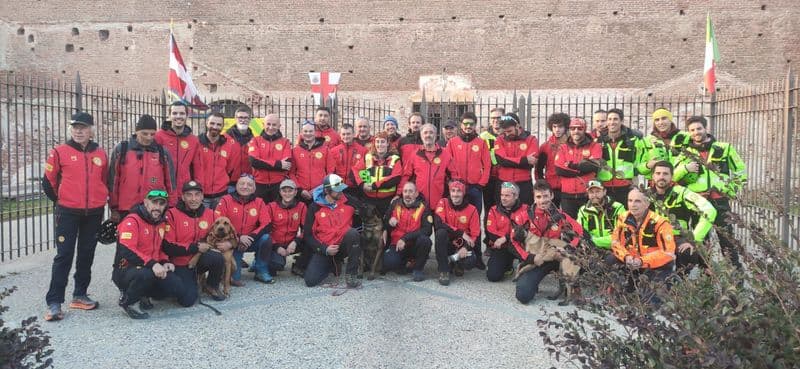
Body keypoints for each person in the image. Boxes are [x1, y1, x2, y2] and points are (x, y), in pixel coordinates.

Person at [42, 112, 108, 321]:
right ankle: (54, 302)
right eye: (75, 127)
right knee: (64, 256)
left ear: (91, 130)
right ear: (71, 130)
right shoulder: (59, 152)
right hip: (68, 212)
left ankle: (80, 294)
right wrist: (62, 201)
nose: (79, 131)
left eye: (83, 127)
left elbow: (104, 180)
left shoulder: (101, 154)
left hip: (94, 212)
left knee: (86, 254)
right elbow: (48, 181)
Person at [673, 115, 746, 268]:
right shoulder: (685, 151)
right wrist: (686, 168)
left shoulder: (724, 148)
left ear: (706, 129)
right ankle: (706, 275)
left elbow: (740, 170)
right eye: (692, 130)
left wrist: (731, 190)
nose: (696, 132)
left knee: (727, 240)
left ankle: (736, 275)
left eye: (699, 128)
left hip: (719, 200)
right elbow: (673, 174)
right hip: (699, 201)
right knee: (701, 241)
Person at [113, 190, 186, 319]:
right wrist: (152, 264)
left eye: (161, 204)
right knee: (146, 274)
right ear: (146, 203)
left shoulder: (161, 223)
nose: (157, 207)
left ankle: (143, 294)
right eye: (154, 202)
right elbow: (126, 249)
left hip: (150, 268)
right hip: (126, 269)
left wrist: (164, 262)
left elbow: (159, 249)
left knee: (175, 285)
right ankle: (129, 302)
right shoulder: (132, 221)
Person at [510, 181, 583, 304]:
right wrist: (530, 257)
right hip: (537, 259)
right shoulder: (523, 217)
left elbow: (579, 231)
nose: (542, 200)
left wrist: (569, 248)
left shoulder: (560, 216)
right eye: (538, 197)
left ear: (552, 196)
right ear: (534, 198)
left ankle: (573, 285)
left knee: (575, 258)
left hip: (557, 255)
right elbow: (512, 242)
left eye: (545, 196)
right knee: (523, 295)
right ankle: (531, 281)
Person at [607, 187, 676, 303]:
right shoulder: (623, 218)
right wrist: (626, 257)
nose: (633, 205)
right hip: (632, 262)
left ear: (647, 203)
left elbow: (667, 253)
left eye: (638, 201)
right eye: (630, 200)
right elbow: (616, 242)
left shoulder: (661, 223)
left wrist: (642, 261)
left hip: (656, 265)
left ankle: (665, 288)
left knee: (649, 303)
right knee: (610, 259)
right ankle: (623, 287)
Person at [162, 181, 227, 302]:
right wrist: (196, 247)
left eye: (197, 194)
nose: (193, 199)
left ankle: (211, 285)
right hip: (180, 263)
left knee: (217, 257)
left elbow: (227, 232)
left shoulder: (211, 214)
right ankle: (181, 282)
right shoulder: (171, 215)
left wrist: (229, 243)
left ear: (202, 196)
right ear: (182, 197)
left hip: (201, 259)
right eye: (189, 195)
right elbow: (167, 246)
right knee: (188, 301)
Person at [650, 161, 717, 274]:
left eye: (665, 174)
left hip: (676, 237)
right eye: (658, 173)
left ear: (672, 176)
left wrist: (694, 239)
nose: (661, 177)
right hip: (652, 238)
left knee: (688, 253)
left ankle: (680, 283)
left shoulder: (682, 193)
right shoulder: (644, 195)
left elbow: (709, 210)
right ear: (653, 176)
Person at [108, 114, 175, 221]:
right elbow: (113, 181)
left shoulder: (162, 152)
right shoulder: (122, 149)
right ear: (137, 131)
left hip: (154, 207)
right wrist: (114, 207)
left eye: (152, 134)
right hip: (126, 208)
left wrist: (171, 206)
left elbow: (171, 182)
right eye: (145, 134)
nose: (149, 137)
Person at [446, 111, 491, 269]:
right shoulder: (452, 142)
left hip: (474, 188)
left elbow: (487, 165)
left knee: (475, 223)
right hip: (458, 187)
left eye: (471, 124)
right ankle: (455, 250)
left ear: (475, 125)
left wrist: (481, 184)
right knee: (455, 220)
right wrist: (453, 182)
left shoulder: (481, 143)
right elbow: (448, 163)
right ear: (461, 125)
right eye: (465, 123)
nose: (468, 126)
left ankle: (477, 255)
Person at [303, 174, 363, 288]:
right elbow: (308, 235)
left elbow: (366, 209)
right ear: (326, 190)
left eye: (341, 188)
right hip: (325, 248)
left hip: (344, 245)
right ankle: (332, 265)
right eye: (337, 190)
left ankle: (351, 275)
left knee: (353, 234)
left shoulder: (349, 201)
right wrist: (324, 249)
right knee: (310, 281)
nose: (341, 192)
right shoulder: (314, 207)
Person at [215, 174, 274, 285]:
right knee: (235, 279)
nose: (245, 187)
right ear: (236, 186)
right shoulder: (226, 200)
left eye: (249, 185)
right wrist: (238, 238)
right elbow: (218, 224)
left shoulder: (259, 202)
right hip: (233, 242)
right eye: (242, 183)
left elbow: (266, 224)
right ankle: (226, 269)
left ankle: (261, 269)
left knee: (266, 238)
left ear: (254, 188)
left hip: (251, 240)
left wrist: (250, 237)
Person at [433, 180, 481, 286]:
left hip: (461, 245)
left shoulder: (472, 209)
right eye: (453, 191)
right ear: (449, 192)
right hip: (447, 244)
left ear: (463, 193)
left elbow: (475, 234)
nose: (455, 194)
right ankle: (444, 270)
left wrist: (466, 247)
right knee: (440, 233)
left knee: (470, 261)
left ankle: (458, 263)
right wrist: (460, 232)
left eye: (459, 191)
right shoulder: (443, 202)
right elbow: (438, 223)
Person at [383, 182, 433, 282]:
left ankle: (418, 269)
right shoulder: (395, 204)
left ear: (416, 194)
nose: (407, 194)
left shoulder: (424, 207)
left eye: (411, 191)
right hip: (397, 244)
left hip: (415, 244)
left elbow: (427, 230)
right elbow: (385, 221)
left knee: (425, 241)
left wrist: (405, 238)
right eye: (405, 191)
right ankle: (405, 263)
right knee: (389, 262)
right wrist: (389, 223)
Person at [595, 108, 646, 205]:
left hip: (626, 187)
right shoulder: (598, 141)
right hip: (605, 188)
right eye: (609, 119)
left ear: (621, 121)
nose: (612, 122)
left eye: (615, 119)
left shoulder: (632, 141)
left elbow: (639, 162)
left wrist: (636, 181)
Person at [554, 117, 602, 219]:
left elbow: (594, 165)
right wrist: (582, 168)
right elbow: (559, 170)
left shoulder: (595, 146)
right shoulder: (563, 147)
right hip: (567, 195)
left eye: (579, 128)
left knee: (588, 224)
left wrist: (570, 165)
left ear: (584, 129)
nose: (576, 131)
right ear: (569, 130)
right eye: (573, 128)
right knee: (570, 226)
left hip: (586, 194)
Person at [155, 102, 199, 206]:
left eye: (181, 113)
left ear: (186, 115)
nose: (178, 116)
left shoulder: (193, 140)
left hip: (184, 192)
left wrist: (196, 189)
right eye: (175, 113)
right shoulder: (159, 136)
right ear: (169, 115)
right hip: (163, 192)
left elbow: (197, 167)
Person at [400, 123, 452, 208]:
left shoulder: (445, 154)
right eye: (425, 133)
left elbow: (454, 176)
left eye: (431, 132)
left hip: (440, 204)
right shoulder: (415, 155)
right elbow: (406, 176)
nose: (428, 135)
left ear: (436, 135)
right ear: (421, 135)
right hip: (419, 203)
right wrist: (399, 193)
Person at [193, 112, 239, 209]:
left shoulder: (229, 144)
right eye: (212, 123)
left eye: (219, 124)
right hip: (200, 195)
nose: (215, 127)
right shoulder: (196, 143)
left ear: (222, 126)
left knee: (220, 223)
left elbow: (230, 168)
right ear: (207, 123)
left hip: (221, 195)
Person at [484, 182, 529, 282]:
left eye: (507, 195)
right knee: (493, 277)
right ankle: (508, 265)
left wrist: (505, 238)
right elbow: (491, 232)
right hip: (502, 247)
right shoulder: (493, 210)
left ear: (516, 196)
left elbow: (525, 231)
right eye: (502, 195)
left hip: (520, 246)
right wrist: (507, 239)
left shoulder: (526, 209)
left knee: (525, 278)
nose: (503, 198)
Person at [263, 179, 309, 277]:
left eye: (290, 191)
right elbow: (266, 230)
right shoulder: (271, 207)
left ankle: (298, 265)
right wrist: (276, 247)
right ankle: (259, 260)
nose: (287, 194)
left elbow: (307, 229)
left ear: (295, 192)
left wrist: (296, 241)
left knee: (311, 242)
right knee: (277, 265)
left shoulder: (301, 206)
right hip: (275, 243)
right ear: (280, 192)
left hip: (291, 242)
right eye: (284, 191)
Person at [352, 132, 402, 217]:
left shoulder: (395, 159)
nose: (380, 144)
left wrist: (375, 185)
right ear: (374, 144)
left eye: (382, 142)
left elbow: (395, 177)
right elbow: (356, 170)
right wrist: (362, 184)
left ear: (387, 143)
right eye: (377, 142)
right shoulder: (368, 157)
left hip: (387, 200)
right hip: (369, 199)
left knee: (386, 226)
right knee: (369, 227)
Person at [494, 113, 539, 204]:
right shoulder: (499, 139)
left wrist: (509, 160)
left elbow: (530, 163)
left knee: (525, 213)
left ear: (517, 126)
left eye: (510, 131)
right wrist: (524, 160)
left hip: (524, 183)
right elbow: (501, 161)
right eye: (505, 132)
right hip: (504, 182)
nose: (507, 134)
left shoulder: (531, 139)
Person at [248, 113, 293, 203]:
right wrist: (278, 164)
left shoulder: (285, 142)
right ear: (263, 125)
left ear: (279, 126)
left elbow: (287, 164)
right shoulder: (255, 140)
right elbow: (254, 162)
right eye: (268, 124)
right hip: (259, 184)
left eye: (274, 125)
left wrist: (263, 163)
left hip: (278, 184)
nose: (271, 127)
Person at [290, 120, 335, 202]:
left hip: (320, 192)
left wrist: (319, 189)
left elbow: (330, 172)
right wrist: (300, 190)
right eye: (305, 131)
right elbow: (291, 173)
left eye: (311, 131)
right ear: (301, 132)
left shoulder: (325, 150)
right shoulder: (295, 151)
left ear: (315, 132)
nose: (308, 133)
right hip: (301, 193)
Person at [638, 108, 687, 179]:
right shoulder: (646, 141)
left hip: (681, 182)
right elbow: (639, 167)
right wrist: (648, 165)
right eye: (657, 120)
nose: (660, 122)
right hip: (657, 184)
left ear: (670, 119)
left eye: (664, 118)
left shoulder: (685, 137)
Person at [576, 180, 625, 250]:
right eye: (591, 192)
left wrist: (593, 241)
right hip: (592, 250)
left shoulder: (618, 208)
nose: (594, 195)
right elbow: (581, 234)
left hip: (615, 249)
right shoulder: (583, 210)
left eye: (597, 191)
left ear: (604, 192)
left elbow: (620, 236)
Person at [536, 113, 570, 208]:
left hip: (567, 187)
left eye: (560, 127)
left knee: (567, 216)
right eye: (554, 127)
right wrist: (542, 185)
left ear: (566, 127)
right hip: (551, 187)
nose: (557, 130)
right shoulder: (545, 147)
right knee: (551, 216)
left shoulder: (571, 146)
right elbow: (539, 169)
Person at [480, 107, 504, 217]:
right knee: (489, 208)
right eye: (493, 118)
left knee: (503, 207)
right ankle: (489, 234)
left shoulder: (508, 134)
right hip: (489, 177)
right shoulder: (483, 136)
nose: (496, 120)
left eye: (499, 117)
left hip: (505, 176)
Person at [225, 106, 256, 186]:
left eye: (246, 118)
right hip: (230, 182)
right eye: (240, 117)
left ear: (250, 120)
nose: (243, 120)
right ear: (235, 119)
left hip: (248, 181)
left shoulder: (254, 139)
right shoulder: (225, 138)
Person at [330, 124, 366, 192]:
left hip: (356, 188)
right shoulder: (333, 151)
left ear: (353, 134)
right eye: (343, 134)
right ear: (340, 135)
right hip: (338, 187)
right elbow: (331, 170)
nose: (346, 136)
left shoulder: (363, 150)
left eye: (348, 134)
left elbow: (365, 171)